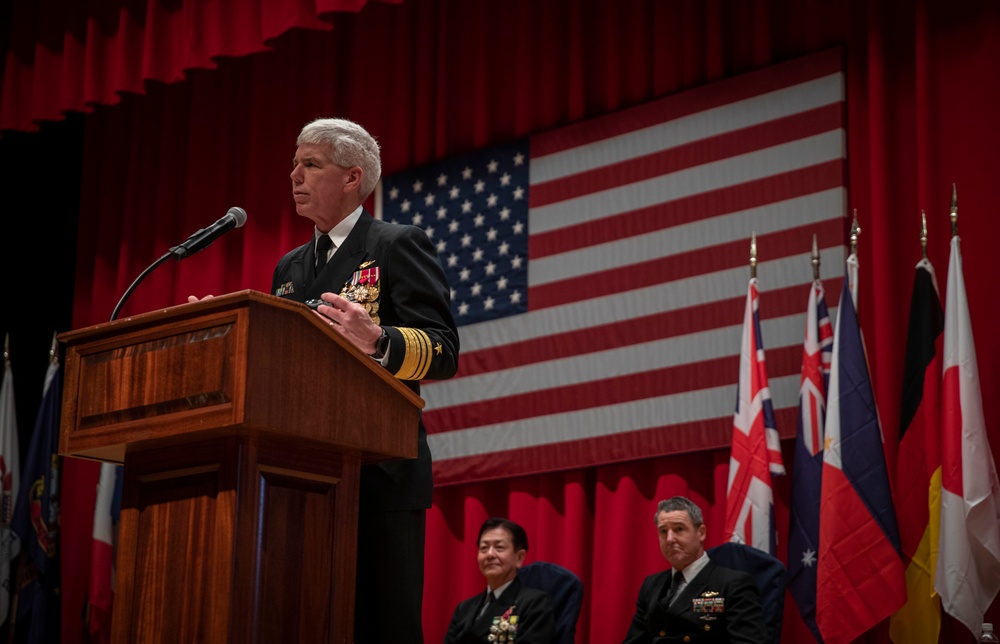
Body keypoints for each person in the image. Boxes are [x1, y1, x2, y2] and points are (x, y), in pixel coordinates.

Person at [268, 117, 460, 642]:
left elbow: (444, 350)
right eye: (294, 164)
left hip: (381, 470)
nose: (294, 175)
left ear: (353, 177)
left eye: (311, 164)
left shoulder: (397, 244)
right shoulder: (288, 268)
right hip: (305, 475)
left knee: (382, 627)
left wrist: (378, 341)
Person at [622, 496, 766, 644]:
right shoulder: (652, 585)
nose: (670, 538)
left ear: (701, 533)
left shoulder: (733, 585)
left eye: (679, 529)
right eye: (663, 531)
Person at [445, 517, 557, 644]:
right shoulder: (464, 608)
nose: (490, 554)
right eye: (484, 548)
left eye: (499, 547)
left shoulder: (535, 604)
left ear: (519, 557)